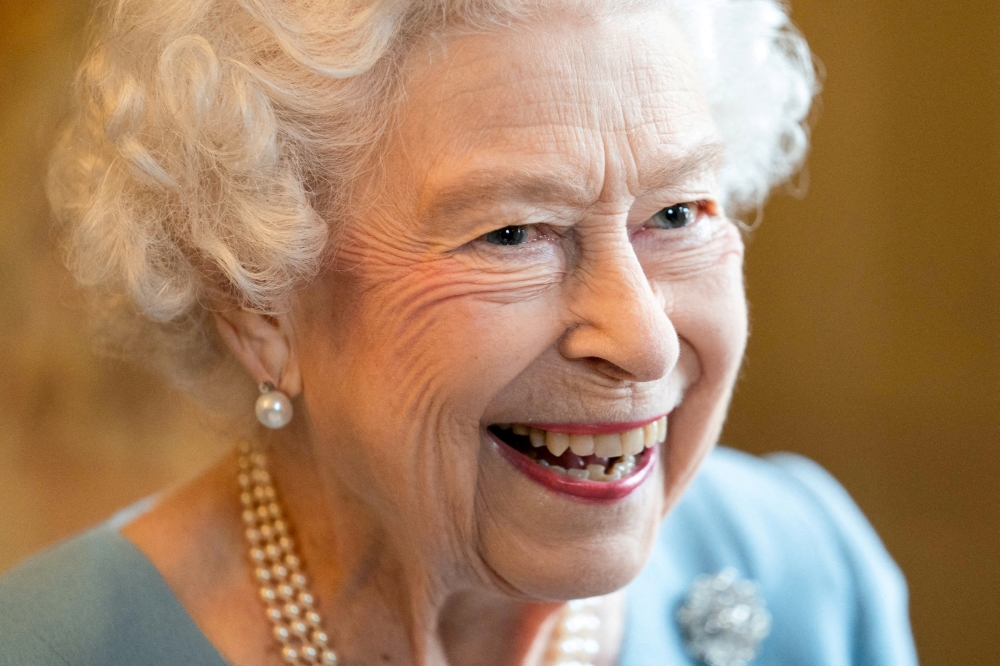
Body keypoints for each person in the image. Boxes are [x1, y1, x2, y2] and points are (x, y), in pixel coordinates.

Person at [0, 0, 918, 664]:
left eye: (677, 214)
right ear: (258, 303)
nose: (644, 341)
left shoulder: (806, 570)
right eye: (514, 233)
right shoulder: (50, 645)